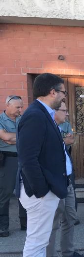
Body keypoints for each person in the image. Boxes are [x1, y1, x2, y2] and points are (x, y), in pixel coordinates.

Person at [17, 73, 74, 257]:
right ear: (53, 91)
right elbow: (28, 158)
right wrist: (41, 190)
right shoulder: (34, 116)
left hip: (47, 190)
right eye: (62, 92)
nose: (63, 96)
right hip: (40, 193)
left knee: (40, 242)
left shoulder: (43, 115)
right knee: (35, 244)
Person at [46, 100, 84, 257]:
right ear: (53, 112)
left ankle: (68, 253)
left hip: (67, 180)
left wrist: (67, 143)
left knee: (70, 216)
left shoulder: (60, 128)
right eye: (64, 111)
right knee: (53, 222)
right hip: (55, 182)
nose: (67, 114)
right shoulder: (48, 129)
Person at [0, 95, 27, 236]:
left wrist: (12, 138)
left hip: (23, 158)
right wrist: (18, 137)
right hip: (8, 160)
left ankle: (25, 223)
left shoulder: (23, 119)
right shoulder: (0, 120)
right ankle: (3, 226)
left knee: (25, 191)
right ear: (8, 106)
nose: (20, 109)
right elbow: (5, 138)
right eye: (17, 107)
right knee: (5, 193)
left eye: (21, 107)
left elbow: (27, 136)